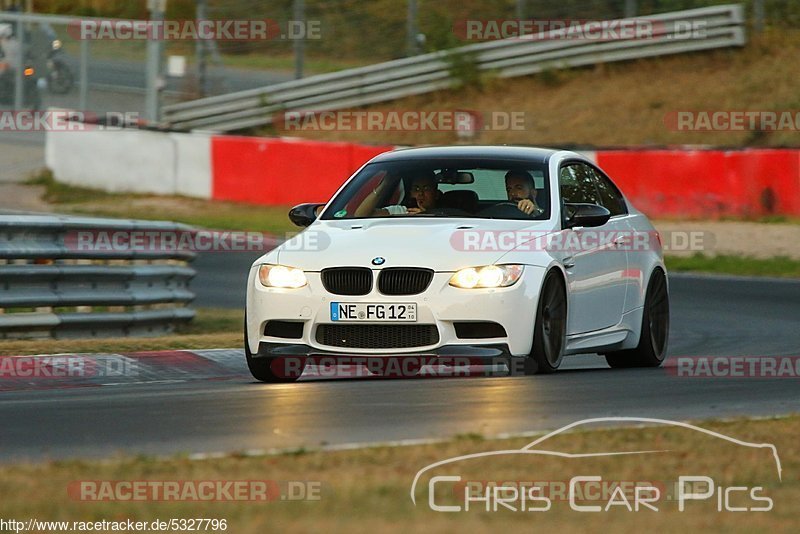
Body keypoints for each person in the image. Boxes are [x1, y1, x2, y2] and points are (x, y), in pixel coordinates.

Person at [356, 171, 441, 216]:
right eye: (416, 189)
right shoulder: (401, 211)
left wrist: (424, 215)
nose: (420, 193)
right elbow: (360, 214)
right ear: (410, 193)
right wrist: (385, 183)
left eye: (426, 188)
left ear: (436, 194)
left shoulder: (446, 214)